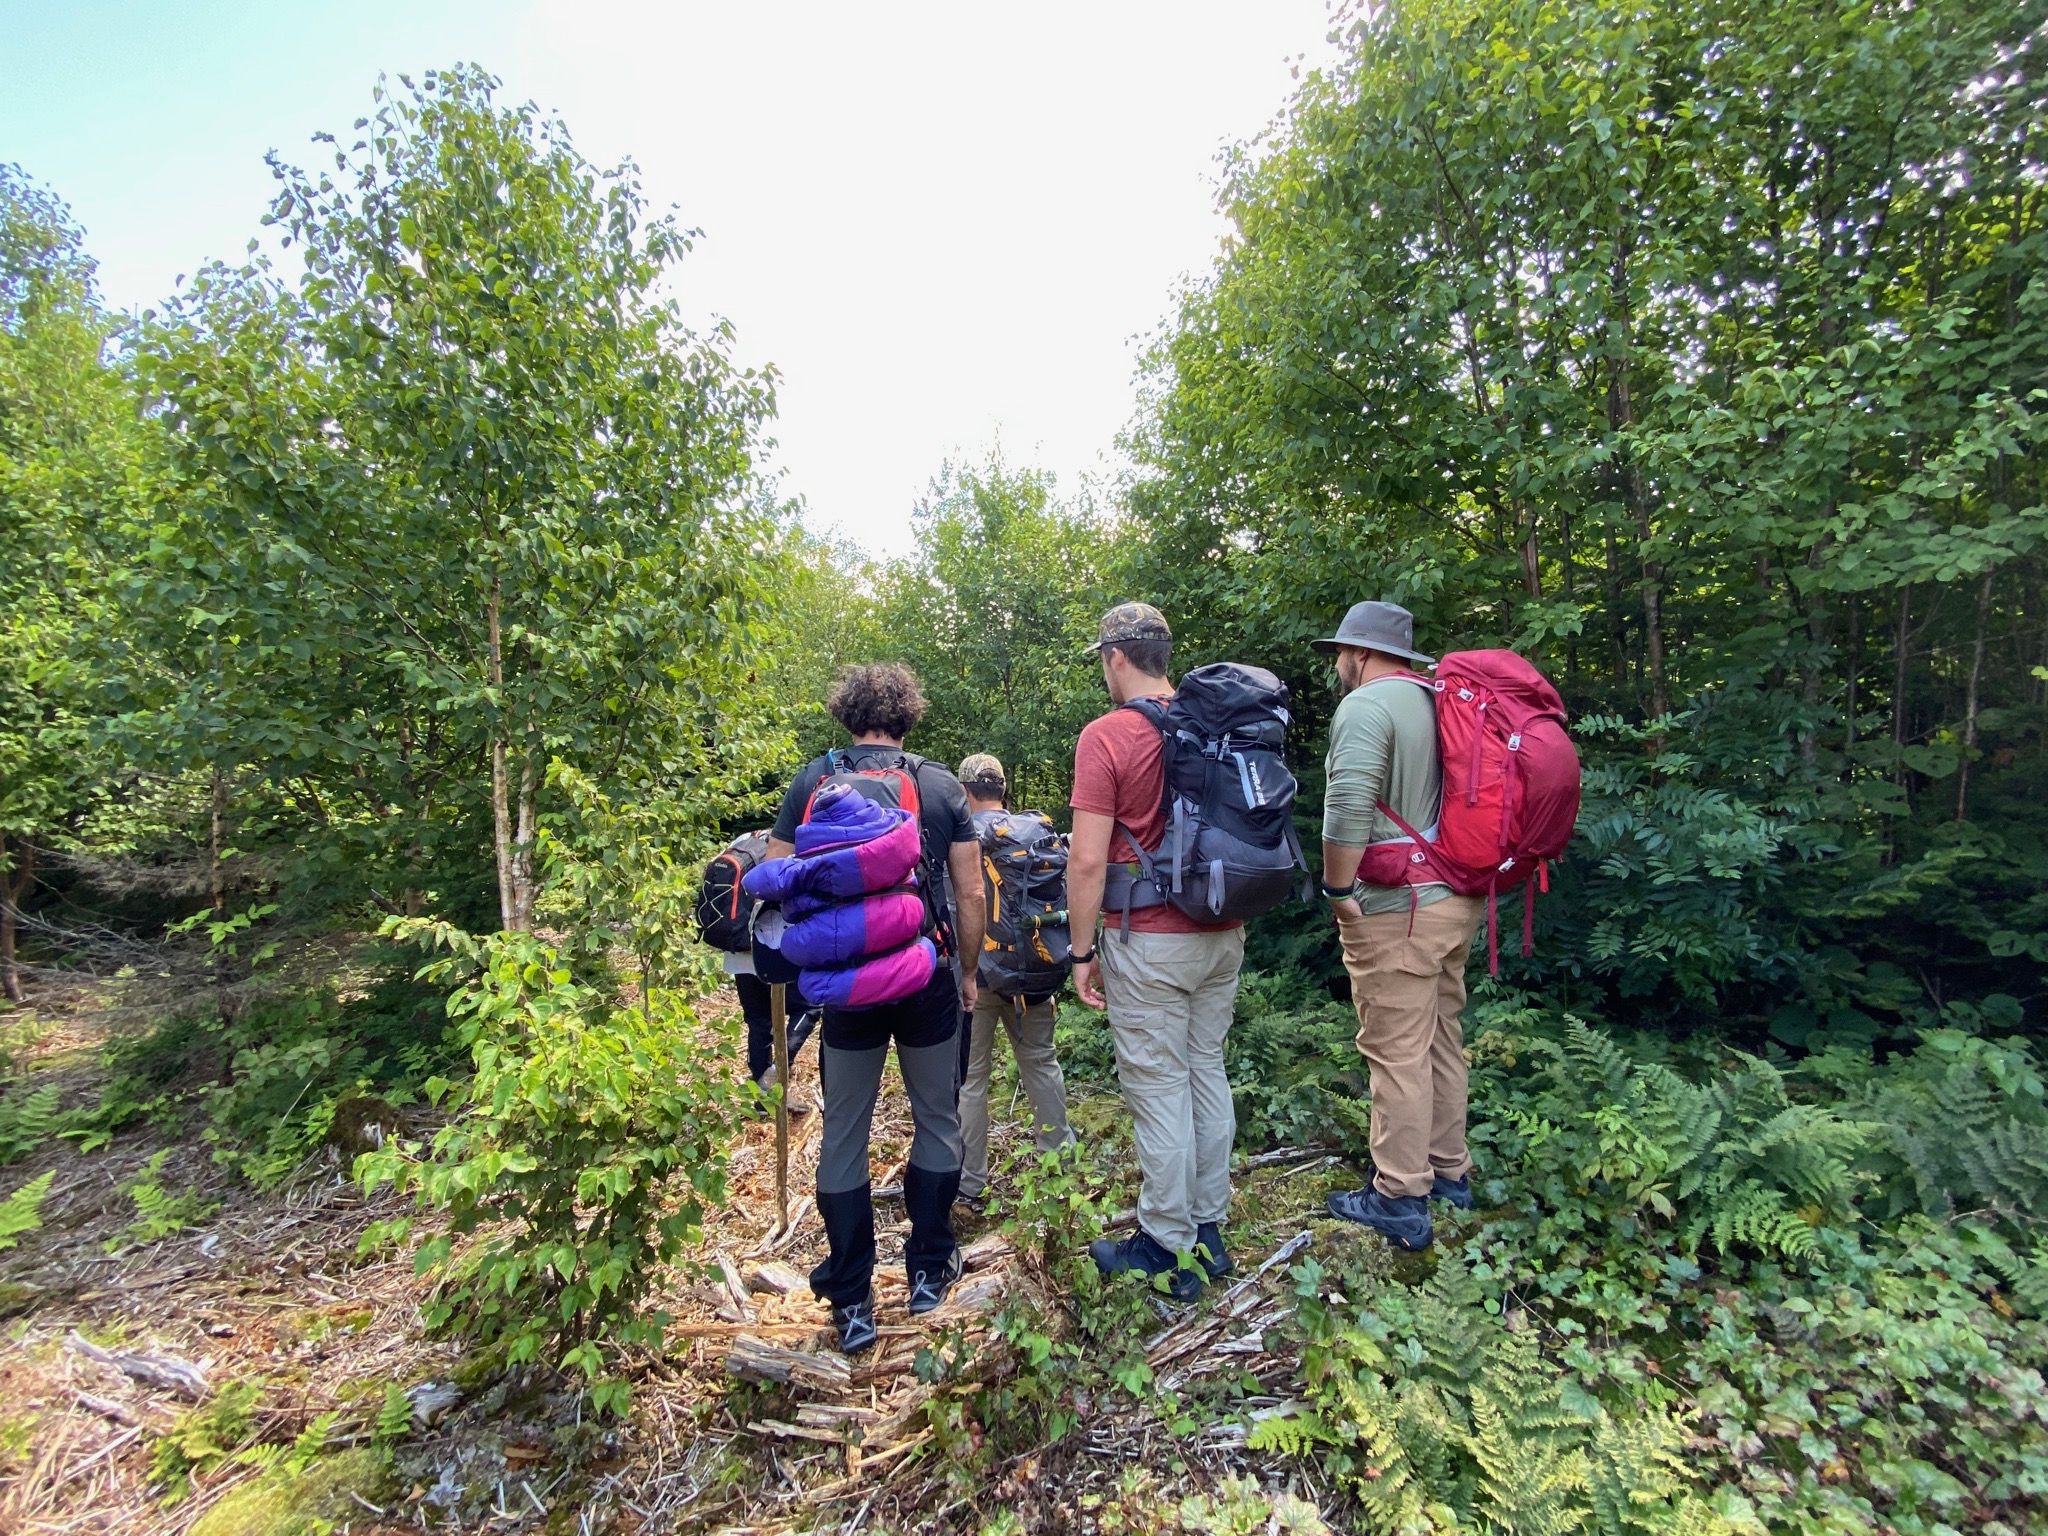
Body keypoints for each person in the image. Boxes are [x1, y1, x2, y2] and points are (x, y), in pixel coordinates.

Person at [764, 663, 985, 1353]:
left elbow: (776, 882)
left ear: (846, 711)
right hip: (927, 975)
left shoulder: (812, 781)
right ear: (908, 713)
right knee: (937, 1119)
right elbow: (971, 893)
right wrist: (969, 971)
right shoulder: (940, 784)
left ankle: (853, 1300)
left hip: (848, 987)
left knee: (844, 1133)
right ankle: (927, 1269)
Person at [1066, 603, 1241, 1301]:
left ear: (1115, 657)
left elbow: (1084, 862)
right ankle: (1209, 1228)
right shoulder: (1214, 723)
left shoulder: (1107, 735)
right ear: (1165, 654)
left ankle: (1167, 1245)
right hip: (1223, 931)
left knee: (1159, 1086)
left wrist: (1082, 953)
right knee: (1206, 1070)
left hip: (1148, 938)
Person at [1312, 601, 1484, 1251]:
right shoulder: (1442, 699)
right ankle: (1449, 1171)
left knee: (1396, 1049)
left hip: (1400, 908)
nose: (1337, 664)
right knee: (1440, 1035)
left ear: (1360, 653)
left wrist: (1335, 888)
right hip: (1455, 898)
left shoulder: (1366, 706)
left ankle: (1400, 1195)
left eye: (1340, 652)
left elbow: (1349, 804)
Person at [955, 752, 1075, 1212]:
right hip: (1036, 972)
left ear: (966, 792)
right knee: (1041, 1064)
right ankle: (1060, 1171)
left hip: (980, 977)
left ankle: (970, 1184)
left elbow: (962, 903)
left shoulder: (967, 836)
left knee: (972, 1080)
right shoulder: (1035, 834)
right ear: (1002, 789)